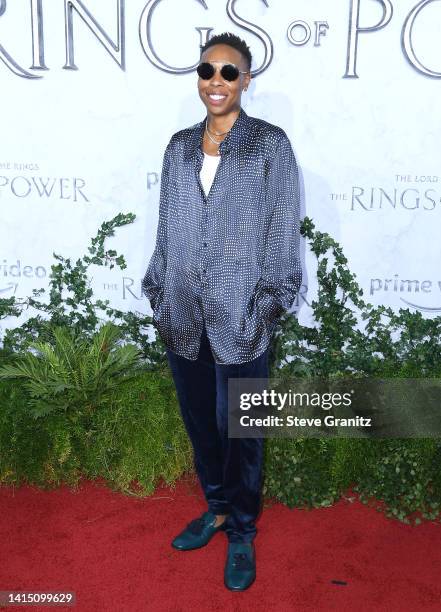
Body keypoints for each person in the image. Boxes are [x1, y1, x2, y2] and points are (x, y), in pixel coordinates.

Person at [141, 31, 302, 591]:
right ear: (199, 77)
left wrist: (269, 302)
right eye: (208, 70)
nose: (217, 81)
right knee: (200, 424)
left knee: (242, 431)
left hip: (242, 314)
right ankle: (214, 508)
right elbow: (168, 226)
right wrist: (159, 288)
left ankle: (241, 531)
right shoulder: (179, 146)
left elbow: (284, 228)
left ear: (246, 80)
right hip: (183, 310)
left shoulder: (268, 146)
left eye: (229, 72)